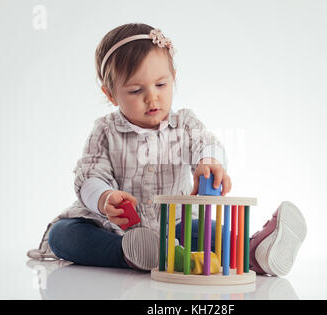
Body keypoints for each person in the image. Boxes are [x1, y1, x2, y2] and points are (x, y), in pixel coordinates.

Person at [27, 23, 306, 276]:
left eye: (161, 84)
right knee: (64, 235)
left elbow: (207, 143)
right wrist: (104, 197)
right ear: (110, 94)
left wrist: (208, 161)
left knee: (206, 231)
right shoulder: (105, 130)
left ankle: (254, 253)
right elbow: (89, 175)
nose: (152, 97)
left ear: (173, 77)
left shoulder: (183, 124)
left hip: (174, 227)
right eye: (136, 90)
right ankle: (131, 255)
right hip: (113, 229)